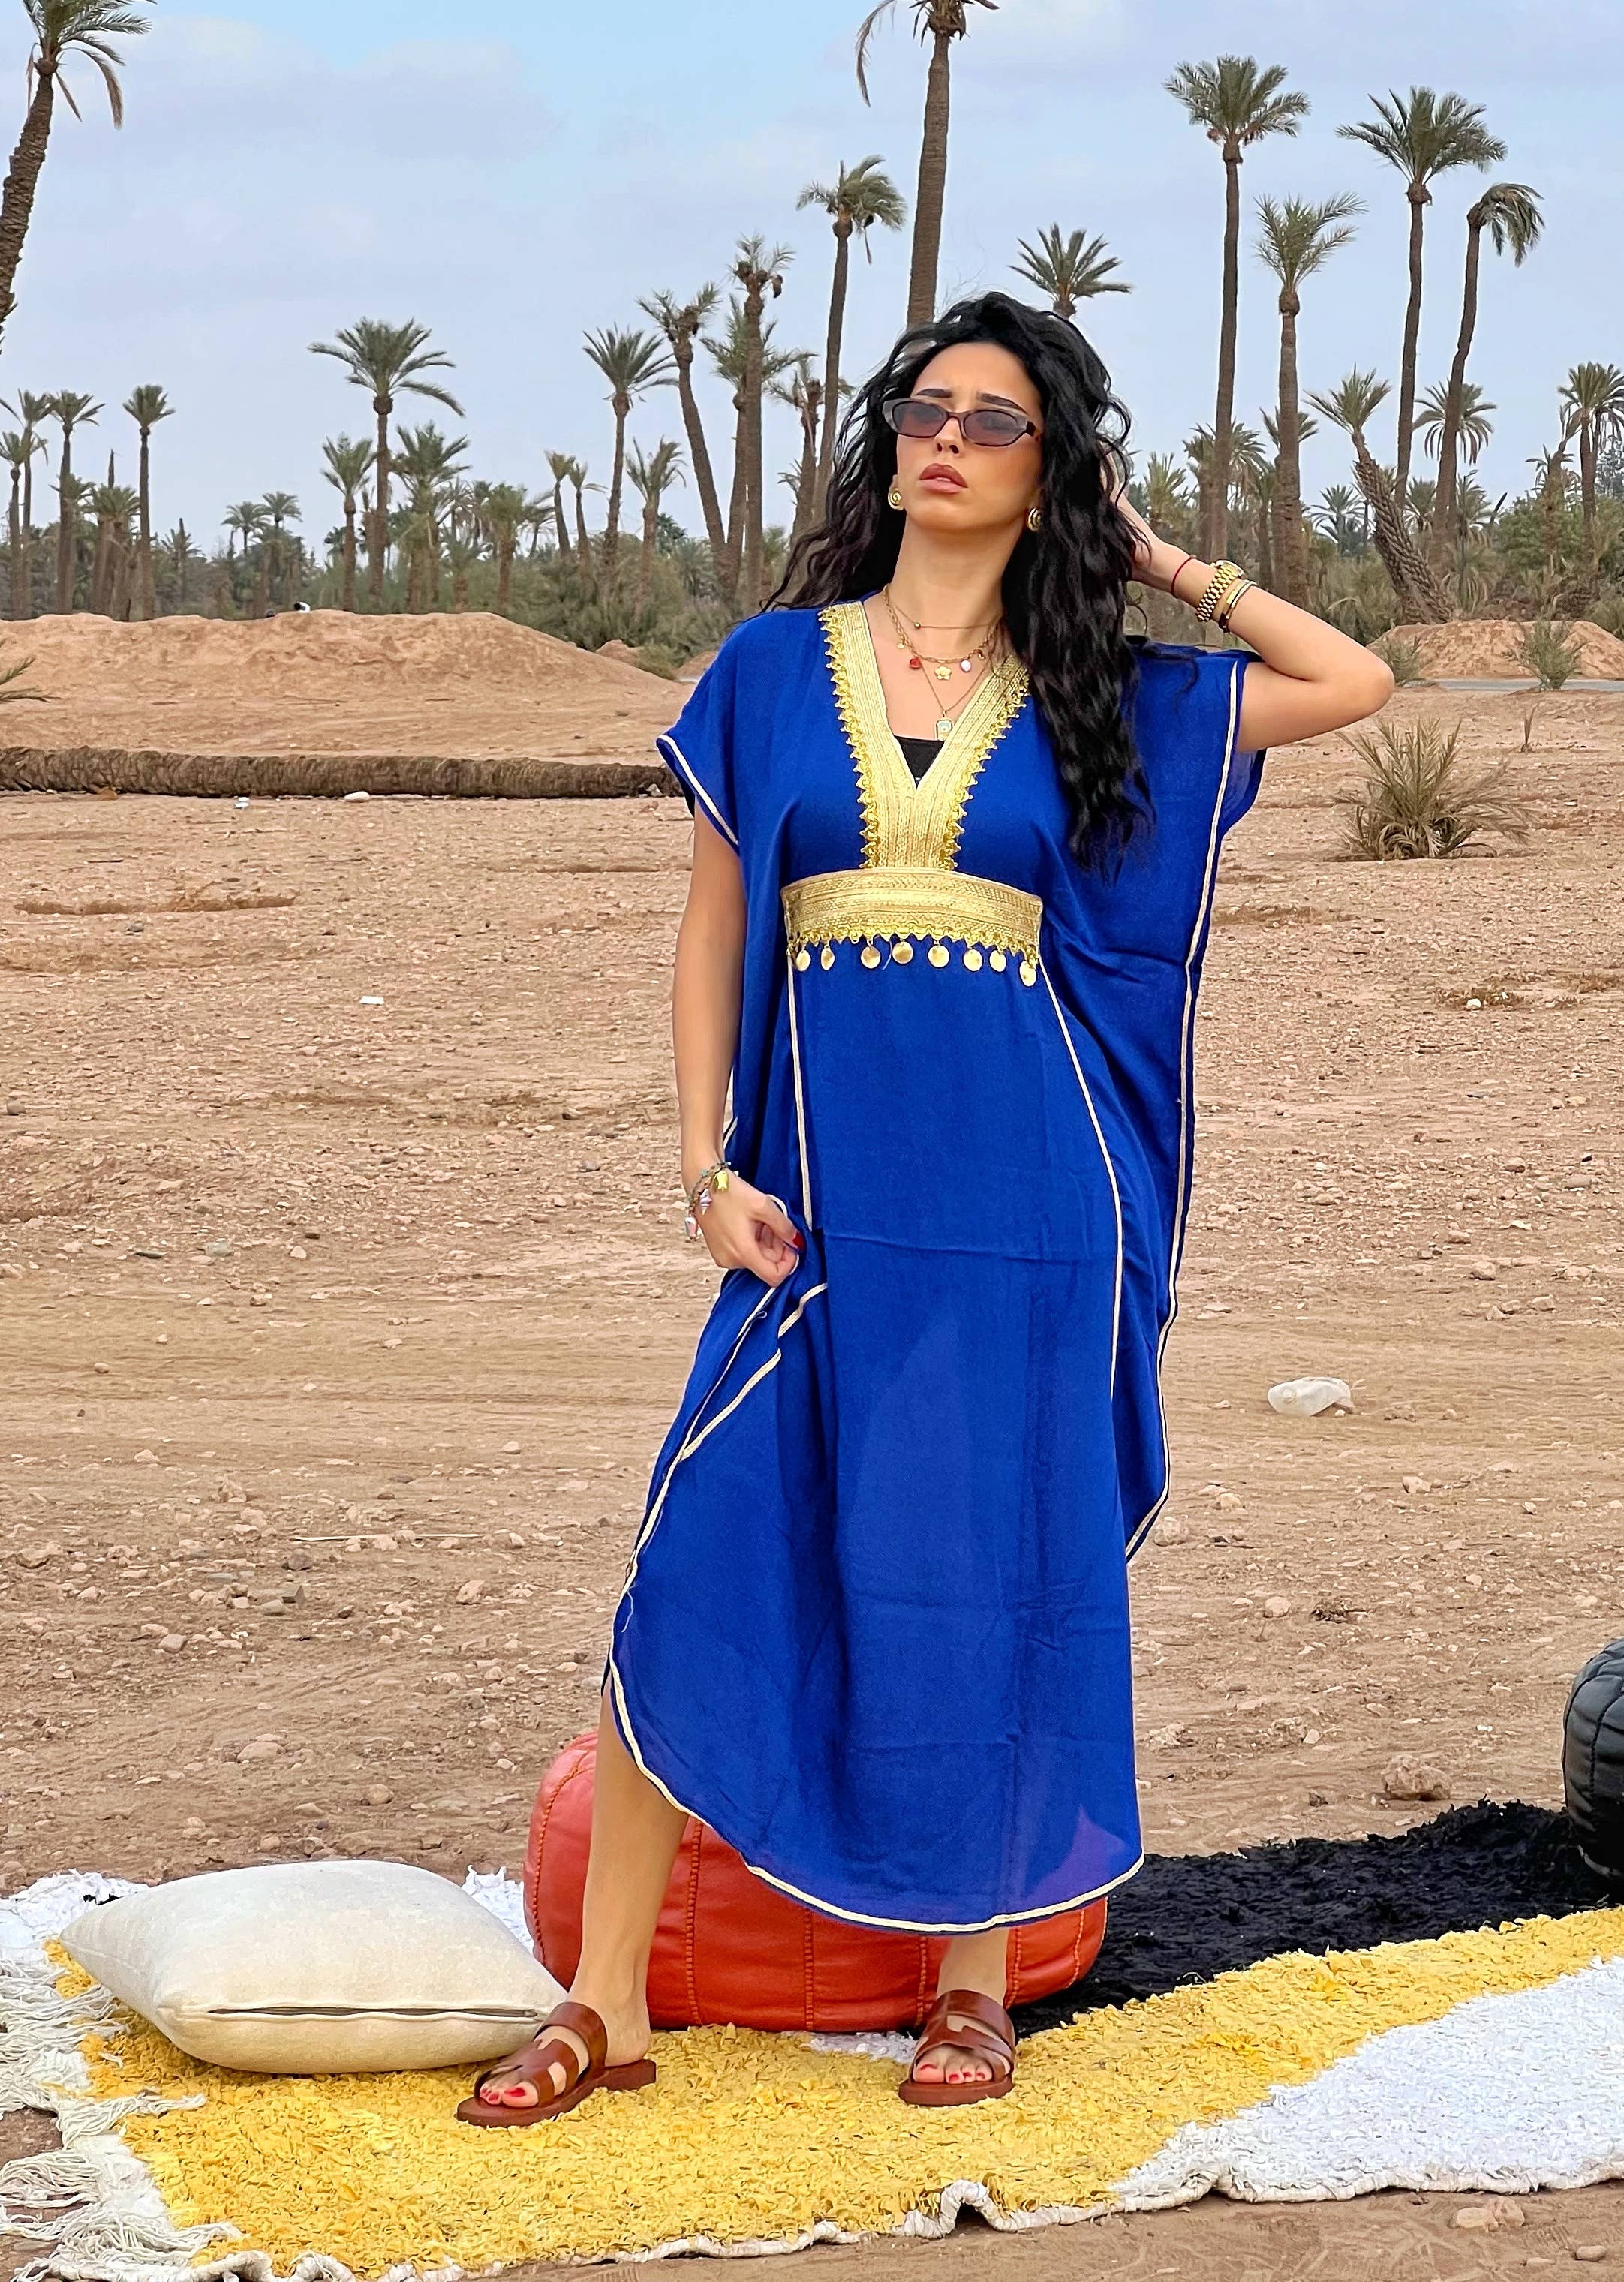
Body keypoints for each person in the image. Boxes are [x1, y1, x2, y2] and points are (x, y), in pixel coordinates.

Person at [459, 290, 1392, 2127]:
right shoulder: (767, 670)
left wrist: (1160, 562)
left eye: (994, 420)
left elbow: (1353, 682)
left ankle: (973, 1986)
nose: (945, 438)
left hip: (1032, 1216)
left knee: (997, 1574)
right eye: (923, 408)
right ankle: (605, 2002)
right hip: (814, 1212)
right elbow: (713, 929)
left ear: (1052, 474)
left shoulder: (1101, 700)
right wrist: (704, 1168)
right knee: (695, 1558)